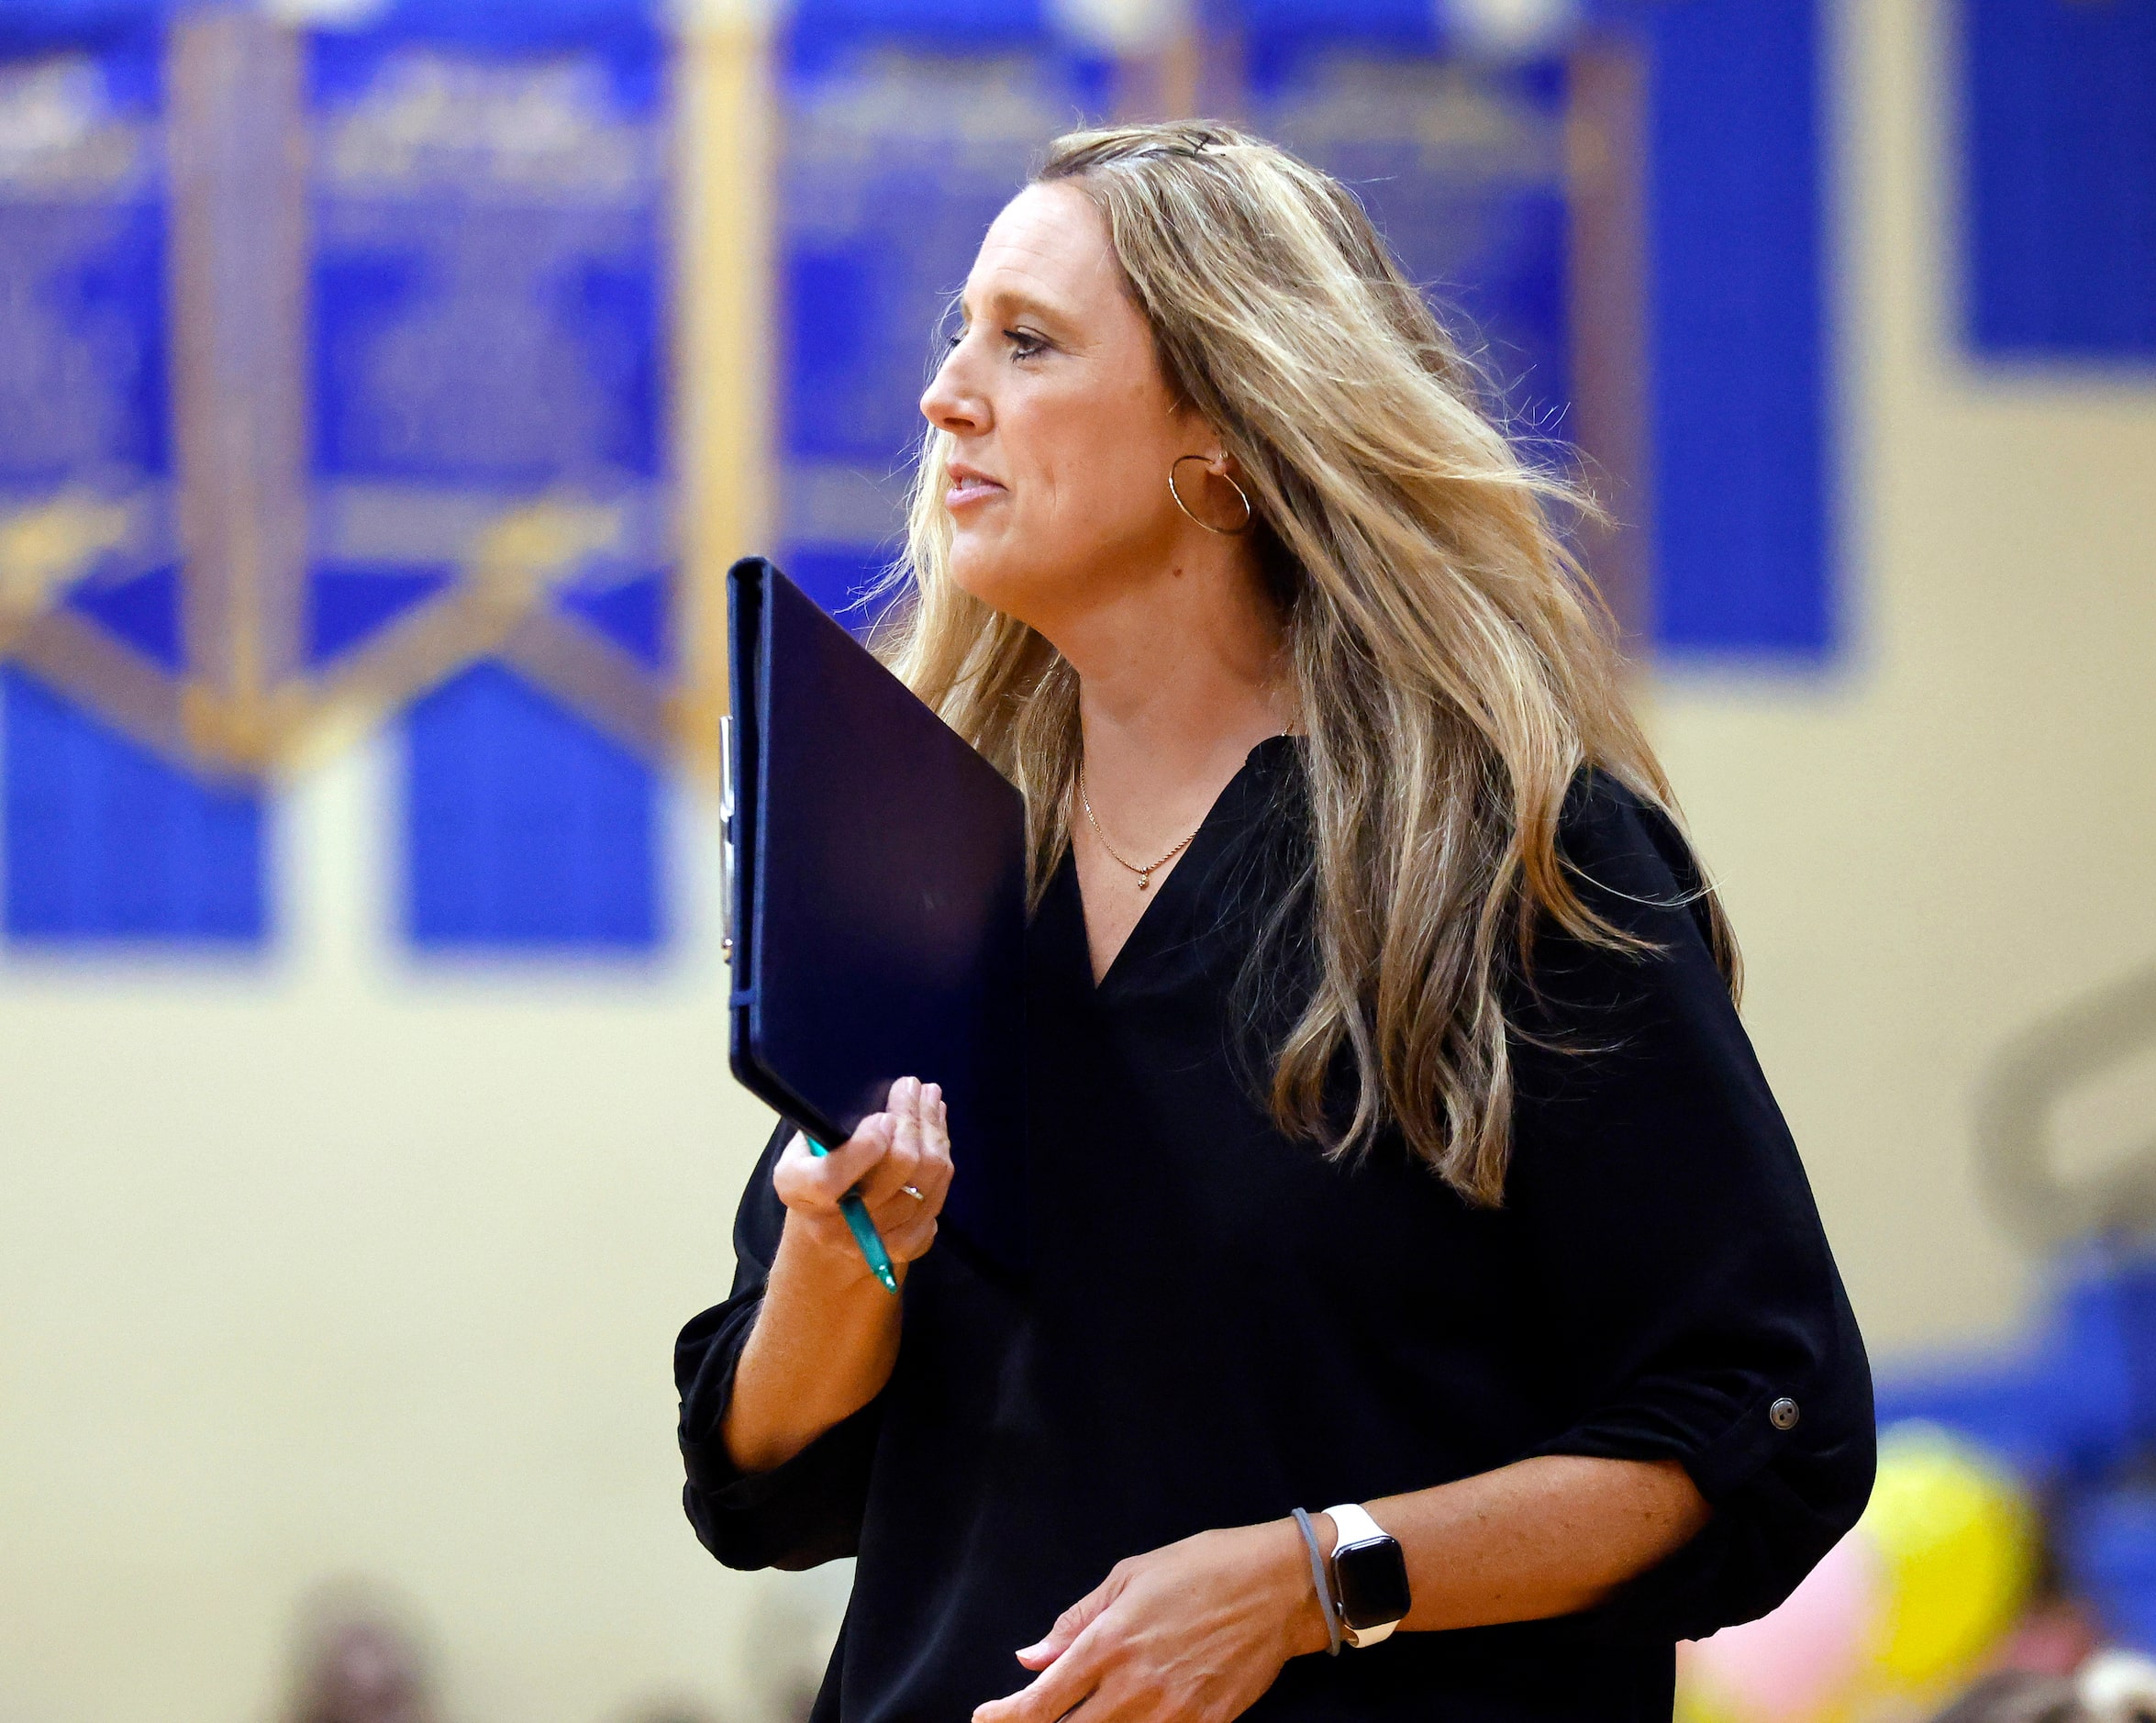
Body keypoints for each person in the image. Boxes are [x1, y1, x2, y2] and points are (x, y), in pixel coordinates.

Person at [675, 120, 1875, 1723]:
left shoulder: (1510, 859)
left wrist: (1318, 1578)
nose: (944, 393)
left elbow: (1756, 1418)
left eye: (1026, 343)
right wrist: (838, 1257)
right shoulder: (935, 884)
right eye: (957, 335)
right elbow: (768, 1489)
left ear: (1227, 434)